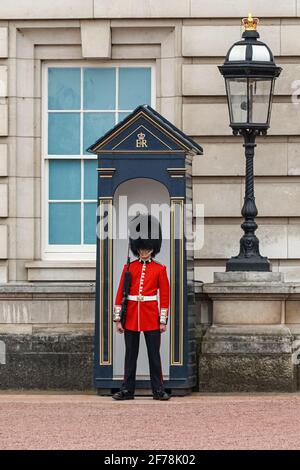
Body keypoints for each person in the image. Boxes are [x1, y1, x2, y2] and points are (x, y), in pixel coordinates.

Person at [112, 214, 170, 401]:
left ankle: (158, 390)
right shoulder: (129, 267)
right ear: (136, 248)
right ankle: (127, 390)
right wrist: (118, 319)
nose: (144, 252)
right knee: (130, 357)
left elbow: (165, 297)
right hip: (131, 318)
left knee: (154, 356)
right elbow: (120, 293)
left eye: (147, 248)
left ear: (153, 249)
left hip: (151, 316)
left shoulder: (160, 269)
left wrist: (162, 321)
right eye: (141, 248)